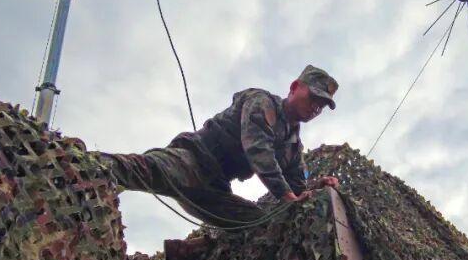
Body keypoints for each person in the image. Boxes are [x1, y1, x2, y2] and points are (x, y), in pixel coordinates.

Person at [101, 65, 340, 228]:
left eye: (322, 105)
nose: (316, 108)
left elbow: (297, 187)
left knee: (257, 224)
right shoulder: (262, 102)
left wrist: (317, 188)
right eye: (313, 98)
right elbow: (258, 150)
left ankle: (193, 254)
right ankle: (83, 166)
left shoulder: (293, 146)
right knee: (139, 170)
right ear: (295, 86)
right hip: (193, 160)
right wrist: (287, 196)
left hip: (215, 189)